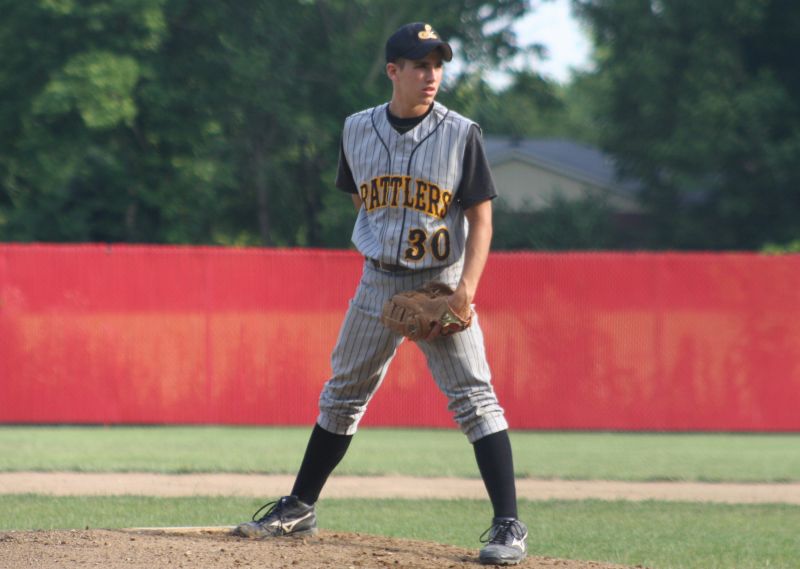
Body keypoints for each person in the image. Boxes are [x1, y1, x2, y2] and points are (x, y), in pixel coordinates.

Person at [233, 22, 528, 566]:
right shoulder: (356, 129)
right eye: (419, 65)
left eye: (437, 64)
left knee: (475, 399)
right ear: (393, 71)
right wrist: (380, 251)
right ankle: (300, 506)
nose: (430, 75)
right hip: (377, 282)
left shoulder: (462, 133)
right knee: (343, 392)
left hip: (440, 283)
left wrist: (464, 291)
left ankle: (509, 525)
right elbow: (362, 201)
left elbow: (482, 219)